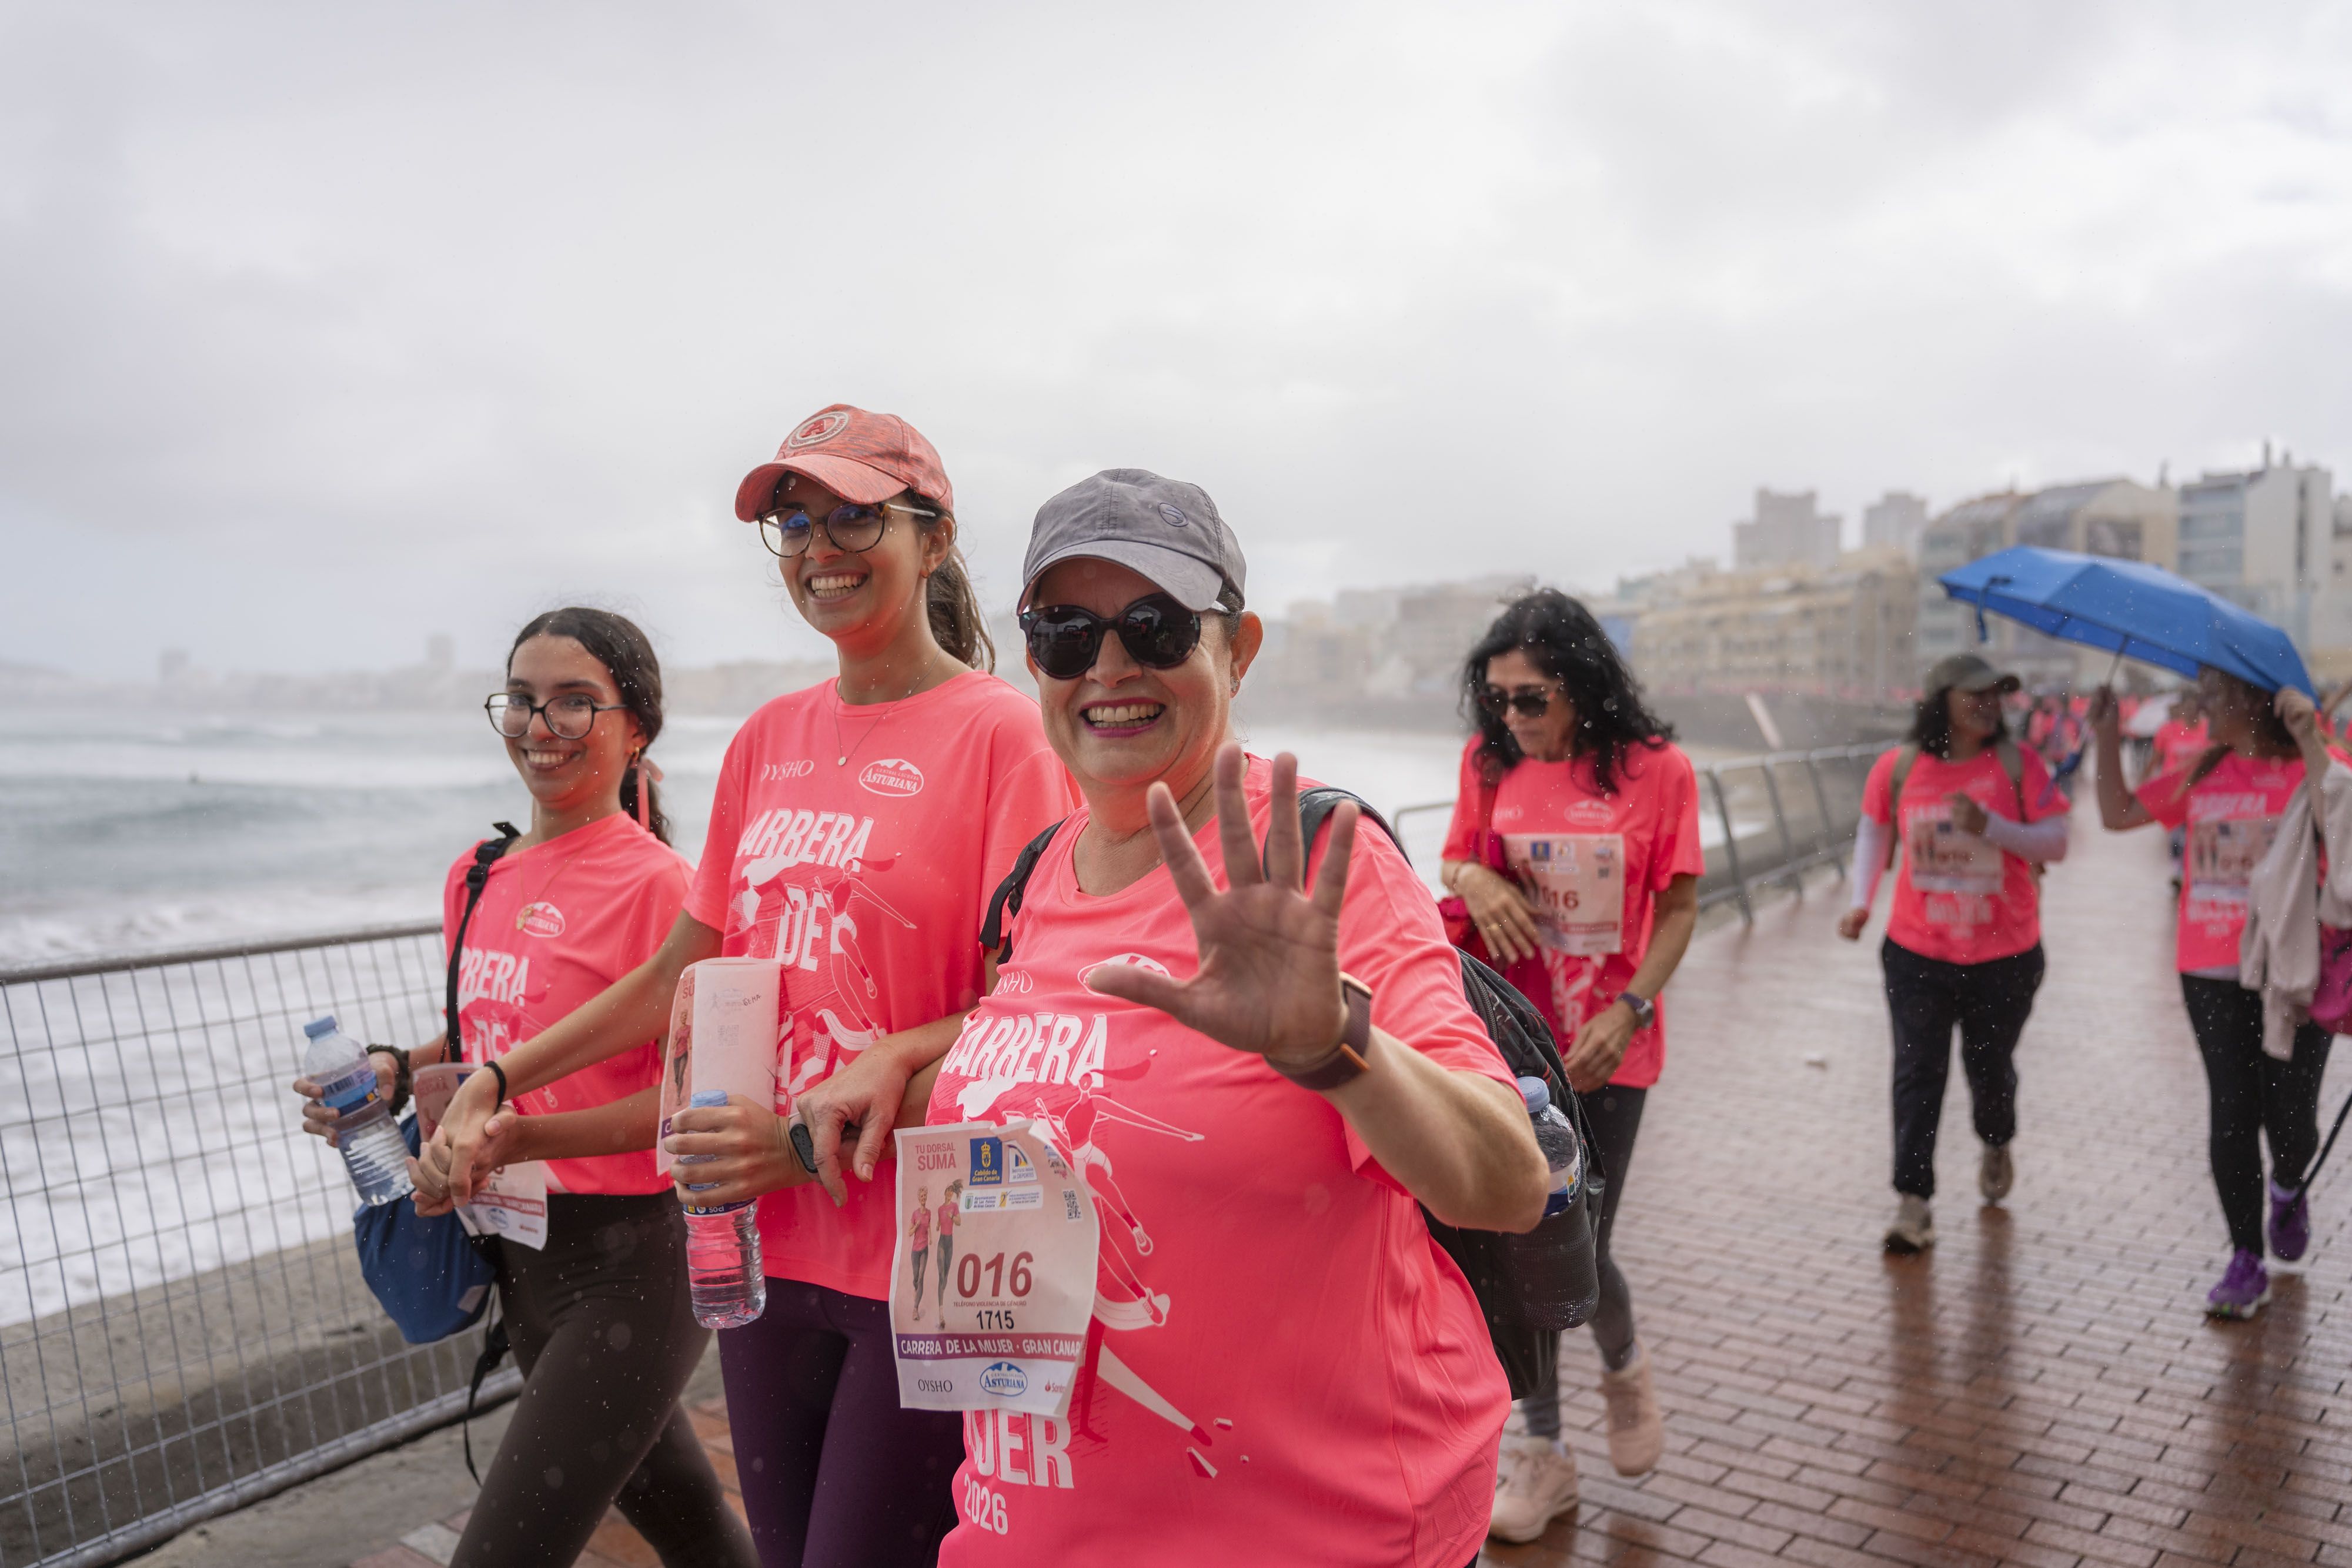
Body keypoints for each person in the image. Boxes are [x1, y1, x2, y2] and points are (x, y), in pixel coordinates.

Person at [432, 406, 1074, 1565]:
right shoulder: (768, 739)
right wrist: (499, 1076)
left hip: (928, 1243)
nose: (820, 548)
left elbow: (1028, 1016)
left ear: (932, 538)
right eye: (795, 522)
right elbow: (681, 970)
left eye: (854, 517)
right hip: (762, 1245)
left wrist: (799, 1139)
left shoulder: (1004, 737)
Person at [913, 469, 1545, 1567]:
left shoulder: (1321, 866)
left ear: (1237, 648)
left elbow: (1507, 1182)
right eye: (1066, 633)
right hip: (1030, 1526)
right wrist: (896, 1073)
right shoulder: (1037, 876)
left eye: (1154, 625)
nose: (1109, 666)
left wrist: (1333, 1046)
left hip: (1311, 1529)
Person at [297, 609, 757, 1568]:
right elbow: (489, 1029)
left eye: (575, 702)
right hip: (520, 1258)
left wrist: (524, 1135)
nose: (541, 726)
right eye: (523, 698)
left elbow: (692, 1106)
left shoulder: (664, 889)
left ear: (637, 729)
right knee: (695, 1531)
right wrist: (392, 1070)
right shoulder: (477, 872)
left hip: (634, 1263)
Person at [1435, 589, 1701, 1543]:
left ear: (1582, 686)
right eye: (1497, 697)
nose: (1511, 716)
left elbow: (1679, 907)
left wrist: (1631, 1010)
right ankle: (1542, 1448)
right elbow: (1454, 861)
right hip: (1513, 1039)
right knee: (1526, 1239)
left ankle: (1623, 1363)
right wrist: (1475, 876)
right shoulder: (1488, 761)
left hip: (1609, 1049)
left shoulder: (1657, 771)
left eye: (1531, 697)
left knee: (1583, 1239)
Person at [2091, 670, 2336, 1318]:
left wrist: (2310, 737)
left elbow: (2344, 822)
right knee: (2232, 1110)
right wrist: (2108, 734)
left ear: (2254, 699)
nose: (2202, 704)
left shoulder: (2309, 764)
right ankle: (2245, 1257)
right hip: (2210, 969)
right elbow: (2116, 814)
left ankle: (2289, 1184)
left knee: (2292, 1122)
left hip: (2293, 969)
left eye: (2216, 693)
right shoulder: (2202, 769)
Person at [1837, 653, 2069, 1255]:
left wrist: (1991, 826)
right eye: (1975, 695)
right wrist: (1861, 901)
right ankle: (1913, 1201)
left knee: (1989, 1072)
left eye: (1996, 695)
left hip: (2004, 955)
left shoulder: (2019, 764)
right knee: (1918, 1073)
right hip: (1918, 952)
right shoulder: (1898, 767)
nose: (1989, 705)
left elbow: (2056, 841)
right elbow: (1874, 829)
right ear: (1941, 701)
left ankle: (1996, 1138)